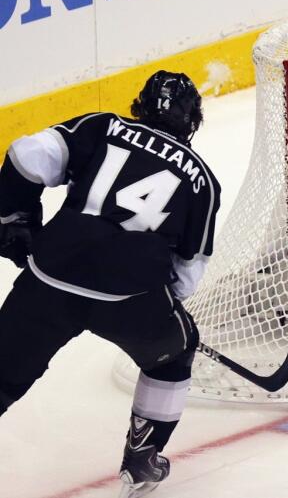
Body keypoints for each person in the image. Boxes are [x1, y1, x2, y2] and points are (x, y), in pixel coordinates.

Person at [0, 71, 220, 497]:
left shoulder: (102, 127)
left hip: (50, 277)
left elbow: (26, 154)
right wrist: (157, 305)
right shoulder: (203, 182)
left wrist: (14, 221)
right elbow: (186, 274)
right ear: (193, 120)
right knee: (175, 352)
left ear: (139, 105)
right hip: (130, 298)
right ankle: (141, 461)